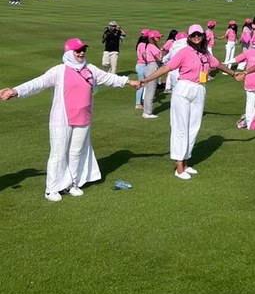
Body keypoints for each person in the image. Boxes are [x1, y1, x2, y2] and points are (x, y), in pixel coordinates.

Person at [0, 37, 140, 201]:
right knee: (58, 153)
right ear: (68, 52)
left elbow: (109, 78)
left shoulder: (90, 69)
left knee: (76, 153)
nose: (81, 53)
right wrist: (15, 91)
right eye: (77, 50)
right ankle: (51, 189)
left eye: (83, 50)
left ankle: (70, 184)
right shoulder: (58, 71)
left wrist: (129, 81)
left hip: (83, 118)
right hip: (62, 119)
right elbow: (37, 83)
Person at [141, 24, 238, 179]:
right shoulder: (184, 51)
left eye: (199, 34)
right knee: (180, 126)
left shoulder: (205, 53)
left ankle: (186, 162)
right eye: (193, 35)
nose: (196, 37)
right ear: (189, 37)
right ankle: (179, 166)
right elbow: (167, 67)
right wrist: (146, 80)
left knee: (194, 127)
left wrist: (233, 73)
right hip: (184, 88)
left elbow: (217, 64)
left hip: (199, 89)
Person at [231, 34, 255, 130]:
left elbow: (235, 59)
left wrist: (225, 63)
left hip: (249, 82)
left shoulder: (248, 52)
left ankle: (250, 125)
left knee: (249, 104)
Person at [141, 30, 163, 119]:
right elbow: (159, 58)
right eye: (157, 37)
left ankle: (146, 111)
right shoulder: (152, 46)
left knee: (149, 90)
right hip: (153, 67)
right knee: (151, 91)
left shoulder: (150, 45)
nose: (159, 38)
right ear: (153, 38)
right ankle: (147, 112)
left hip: (150, 66)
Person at [134, 28, 150, 110]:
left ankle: (140, 101)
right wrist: (149, 60)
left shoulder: (139, 44)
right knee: (141, 84)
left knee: (142, 84)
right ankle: (138, 103)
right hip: (142, 65)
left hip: (139, 65)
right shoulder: (143, 45)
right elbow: (144, 54)